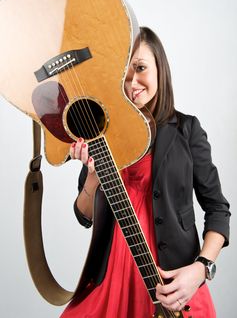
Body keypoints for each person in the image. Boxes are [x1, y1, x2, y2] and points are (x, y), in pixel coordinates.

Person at [60, 27, 230, 318]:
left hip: (174, 285)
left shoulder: (187, 130)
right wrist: (93, 176)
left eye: (140, 68)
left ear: (159, 69)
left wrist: (201, 269)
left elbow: (218, 210)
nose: (132, 82)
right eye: (123, 73)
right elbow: (84, 215)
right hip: (111, 277)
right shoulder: (102, 132)